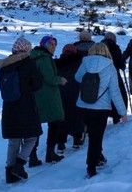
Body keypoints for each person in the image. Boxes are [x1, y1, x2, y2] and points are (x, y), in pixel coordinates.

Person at [0, 37, 43, 183]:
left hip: (9, 109)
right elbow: (37, 84)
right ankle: (19, 165)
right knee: (32, 137)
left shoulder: (4, 65)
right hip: (27, 107)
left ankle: (10, 174)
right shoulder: (29, 63)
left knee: (13, 141)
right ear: (27, 49)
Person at [75, 43, 127, 178]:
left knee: (93, 136)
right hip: (100, 108)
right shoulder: (110, 67)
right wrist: (122, 112)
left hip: (83, 106)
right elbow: (115, 92)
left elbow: (77, 78)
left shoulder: (85, 63)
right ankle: (91, 167)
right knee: (95, 138)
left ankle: (98, 157)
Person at [29, 35, 67, 165]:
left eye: (55, 45)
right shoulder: (44, 59)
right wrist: (60, 80)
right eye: (51, 44)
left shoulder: (34, 56)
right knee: (55, 123)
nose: (53, 47)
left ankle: (32, 156)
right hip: (49, 97)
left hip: (36, 96)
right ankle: (50, 154)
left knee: (36, 127)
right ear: (44, 45)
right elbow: (50, 78)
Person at [55, 44, 83, 152]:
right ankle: (77, 140)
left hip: (60, 94)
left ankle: (61, 143)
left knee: (62, 118)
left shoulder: (57, 63)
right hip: (76, 92)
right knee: (77, 116)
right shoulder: (79, 62)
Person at [101, 31, 128, 122]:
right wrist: (123, 66)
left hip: (101, 75)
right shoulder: (115, 48)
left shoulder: (99, 47)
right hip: (114, 74)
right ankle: (117, 115)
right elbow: (120, 63)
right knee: (119, 94)